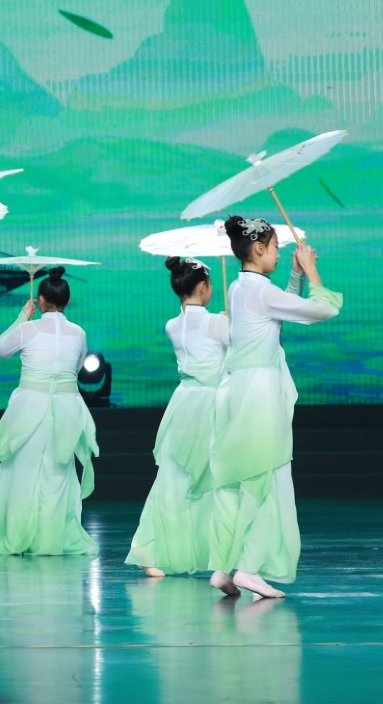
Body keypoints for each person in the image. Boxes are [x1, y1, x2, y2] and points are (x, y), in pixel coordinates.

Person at [209, 216, 341, 599]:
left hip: (240, 389)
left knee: (248, 478)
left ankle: (225, 567)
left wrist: (296, 276)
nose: (280, 254)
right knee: (269, 477)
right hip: (260, 393)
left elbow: (280, 309)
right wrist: (312, 270)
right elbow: (321, 311)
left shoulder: (240, 287)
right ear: (258, 248)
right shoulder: (261, 293)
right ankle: (249, 567)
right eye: (275, 247)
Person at [0, 267, 99, 557]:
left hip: (30, 406)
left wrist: (23, 317)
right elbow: (78, 366)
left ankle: (21, 536)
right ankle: (53, 537)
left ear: (41, 300)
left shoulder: (28, 329)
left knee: (23, 472)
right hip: (67, 407)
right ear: (67, 301)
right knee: (58, 474)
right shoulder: (78, 333)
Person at [126, 257, 226, 580]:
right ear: (203, 287)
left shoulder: (174, 324)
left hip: (184, 403)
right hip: (211, 402)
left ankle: (151, 549)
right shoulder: (216, 323)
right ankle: (215, 552)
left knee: (173, 478)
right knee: (214, 478)